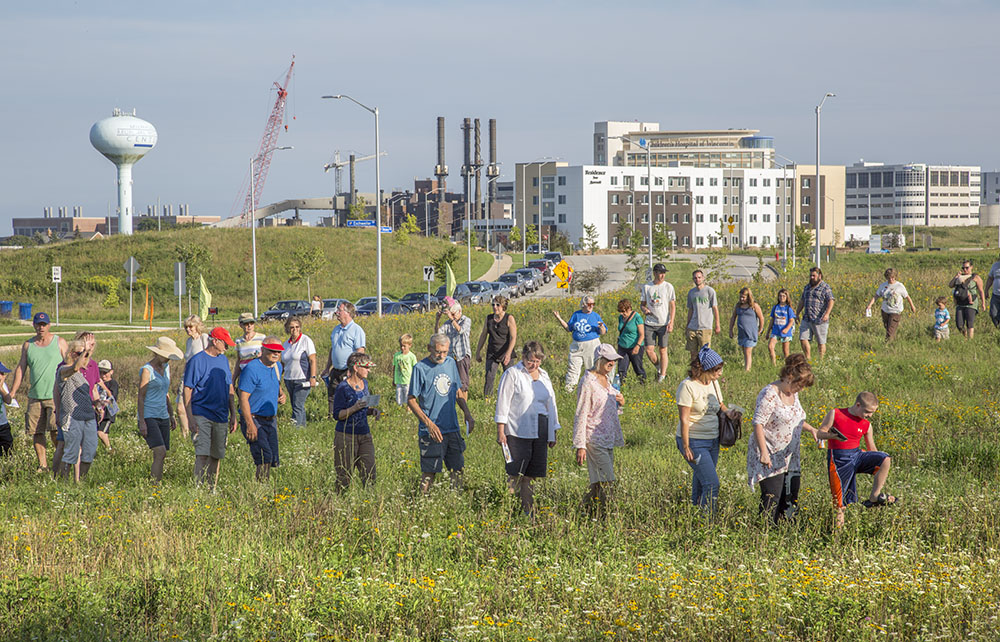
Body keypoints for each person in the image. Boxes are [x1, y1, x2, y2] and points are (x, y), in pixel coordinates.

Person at [746, 354, 842, 524]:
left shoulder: (793, 393)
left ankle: (784, 534)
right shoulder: (769, 394)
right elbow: (758, 423)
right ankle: (763, 534)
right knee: (771, 499)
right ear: (790, 377)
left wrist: (812, 429)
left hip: (790, 457)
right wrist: (763, 452)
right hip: (770, 454)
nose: (801, 389)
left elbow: (795, 418)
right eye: (800, 385)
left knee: (790, 499)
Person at [494, 341, 561, 517]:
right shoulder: (513, 374)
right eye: (531, 361)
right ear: (524, 357)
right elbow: (503, 402)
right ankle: (506, 510)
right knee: (515, 472)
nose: (534, 365)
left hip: (540, 429)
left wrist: (553, 430)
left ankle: (528, 510)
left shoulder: (544, 376)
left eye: (538, 361)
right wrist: (501, 430)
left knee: (531, 474)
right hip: (517, 429)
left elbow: (551, 404)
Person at [407, 333, 475, 494]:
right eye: (438, 352)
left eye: (445, 352)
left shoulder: (451, 363)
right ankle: (422, 505)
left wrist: (467, 413)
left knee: (457, 469)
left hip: (452, 428)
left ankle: (456, 501)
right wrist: (428, 424)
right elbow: (411, 399)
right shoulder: (420, 368)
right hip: (431, 431)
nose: (441, 355)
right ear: (429, 348)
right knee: (430, 472)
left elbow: (457, 392)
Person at [820, 391, 896, 528]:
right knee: (839, 505)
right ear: (858, 404)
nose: (870, 416)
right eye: (867, 412)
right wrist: (831, 436)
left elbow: (872, 449)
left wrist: (879, 471)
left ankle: (875, 496)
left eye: (872, 413)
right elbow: (820, 432)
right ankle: (837, 538)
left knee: (885, 458)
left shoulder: (867, 424)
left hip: (857, 455)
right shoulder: (836, 413)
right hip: (838, 459)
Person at [9, 312, 67, 472]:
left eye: (44, 324)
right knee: (36, 432)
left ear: (49, 325)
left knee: (55, 431)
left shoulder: (59, 342)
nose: (41, 327)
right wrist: (13, 391)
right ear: (34, 325)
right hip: (35, 396)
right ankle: (43, 465)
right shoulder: (28, 345)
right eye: (38, 324)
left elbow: (69, 365)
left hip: (55, 396)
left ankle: (60, 460)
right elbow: (21, 368)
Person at [572, 343, 625, 518]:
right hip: (594, 438)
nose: (611, 364)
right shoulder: (588, 382)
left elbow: (609, 409)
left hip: (607, 437)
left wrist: (620, 402)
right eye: (608, 360)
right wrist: (580, 445)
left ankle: (585, 513)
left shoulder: (608, 380)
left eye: (614, 361)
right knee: (609, 480)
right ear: (599, 360)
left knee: (597, 482)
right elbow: (582, 413)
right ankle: (610, 515)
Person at [675, 345, 730, 512]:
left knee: (701, 479)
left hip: (713, 440)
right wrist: (686, 446)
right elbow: (684, 419)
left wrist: (731, 413)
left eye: (721, 369)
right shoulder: (687, 386)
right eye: (717, 370)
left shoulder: (713, 384)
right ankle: (708, 523)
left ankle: (696, 514)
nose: (720, 373)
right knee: (712, 483)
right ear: (705, 369)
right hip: (694, 441)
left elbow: (720, 405)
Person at [184, 327, 238, 490]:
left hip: (221, 415)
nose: (227, 348)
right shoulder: (197, 361)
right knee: (202, 453)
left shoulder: (223, 361)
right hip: (202, 413)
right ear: (215, 341)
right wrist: (190, 418)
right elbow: (188, 389)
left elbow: (229, 388)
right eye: (225, 344)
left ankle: (211, 488)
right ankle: (198, 489)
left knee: (216, 455)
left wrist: (233, 414)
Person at [237, 337, 286, 481]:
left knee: (271, 459)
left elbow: (276, 383)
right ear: (262, 350)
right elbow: (243, 398)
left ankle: (264, 486)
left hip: (270, 420)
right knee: (264, 456)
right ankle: (260, 490)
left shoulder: (278, 367)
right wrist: (250, 424)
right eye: (272, 351)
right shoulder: (252, 369)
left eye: (278, 351)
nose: (276, 354)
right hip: (254, 418)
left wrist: (281, 394)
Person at [137, 337, 183, 482]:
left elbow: (166, 393)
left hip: (163, 414)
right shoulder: (147, 370)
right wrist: (142, 421)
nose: (168, 359)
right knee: (159, 451)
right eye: (166, 356)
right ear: (157, 353)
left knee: (162, 454)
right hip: (150, 414)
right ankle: (154, 485)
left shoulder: (166, 368)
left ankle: (157, 482)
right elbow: (141, 396)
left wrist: (171, 414)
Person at [332, 351, 380, 491]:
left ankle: (369, 500)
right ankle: (340, 501)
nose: (369, 370)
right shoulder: (343, 388)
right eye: (366, 367)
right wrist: (353, 408)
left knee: (369, 471)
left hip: (364, 434)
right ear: (355, 367)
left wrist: (372, 411)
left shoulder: (364, 383)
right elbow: (337, 414)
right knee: (344, 474)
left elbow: (364, 407)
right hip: (346, 435)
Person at [54, 340, 98, 482]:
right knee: (71, 453)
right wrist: (86, 350)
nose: (85, 357)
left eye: (86, 355)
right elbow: (74, 367)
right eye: (81, 354)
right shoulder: (64, 370)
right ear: (72, 354)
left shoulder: (82, 374)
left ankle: (81, 481)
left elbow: (85, 396)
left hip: (88, 416)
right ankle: (65, 482)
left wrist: (97, 402)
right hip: (72, 417)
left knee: (89, 452)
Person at [552, 296, 607, 393]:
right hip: (577, 345)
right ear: (584, 304)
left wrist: (601, 326)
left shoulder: (595, 316)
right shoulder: (576, 315)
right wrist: (559, 318)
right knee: (573, 367)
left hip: (591, 345)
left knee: (591, 368)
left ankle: (593, 390)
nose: (591, 306)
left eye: (593, 304)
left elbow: (603, 332)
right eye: (589, 304)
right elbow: (568, 328)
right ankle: (569, 391)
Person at [321, 302, 366, 417]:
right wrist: (327, 367)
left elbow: (360, 352)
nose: (337, 313)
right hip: (336, 370)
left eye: (339, 310)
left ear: (348, 313)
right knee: (332, 395)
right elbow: (333, 349)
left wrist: (354, 369)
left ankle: (349, 416)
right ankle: (333, 417)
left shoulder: (357, 330)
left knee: (348, 395)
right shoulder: (336, 330)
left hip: (349, 370)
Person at [475, 296, 518, 398]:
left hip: (506, 351)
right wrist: (478, 351)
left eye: (498, 305)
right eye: (493, 305)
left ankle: (512, 397)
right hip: (492, 352)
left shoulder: (509, 318)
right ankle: (487, 399)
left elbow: (513, 337)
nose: (495, 307)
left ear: (503, 306)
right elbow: (483, 335)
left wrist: (508, 354)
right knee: (489, 376)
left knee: (510, 377)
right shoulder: (489, 318)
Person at [639, 263, 676, 382]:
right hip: (650, 323)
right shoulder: (647, 287)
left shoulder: (668, 287)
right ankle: (659, 368)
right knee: (649, 350)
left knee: (662, 349)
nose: (662, 275)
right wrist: (644, 310)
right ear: (655, 273)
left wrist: (671, 322)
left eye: (664, 273)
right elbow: (642, 304)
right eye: (660, 273)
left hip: (663, 323)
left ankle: (662, 376)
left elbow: (672, 306)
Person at [280, 318, 317, 427]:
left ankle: (294, 430)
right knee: (297, 406)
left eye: (297, 327)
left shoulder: (306, 340)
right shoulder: (286, 344)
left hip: (302, 379)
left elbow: (312, 359)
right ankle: (302, 430)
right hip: (289, 379)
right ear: (288, 329)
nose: (294, 329)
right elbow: (283, 363)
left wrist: (313, 377)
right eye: (292, 327)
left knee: (297, 406)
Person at [179, 315, 210, 437]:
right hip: (187, 375)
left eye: (191, 326)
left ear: (197, 326)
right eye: (186, 327)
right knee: (180, 406)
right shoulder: (188, 341)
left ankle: (200, 431)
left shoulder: (204, 338)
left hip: (200, 377)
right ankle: (185, 434)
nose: (188, 329)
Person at [865, 268, 917, 342]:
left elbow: (907, 296)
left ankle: (887, 345)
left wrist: (912, 306)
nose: (891, 279)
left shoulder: (899, 286)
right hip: (885, 311)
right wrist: (870, 305)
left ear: (895, 277)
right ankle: (892, 341)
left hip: (895, 311)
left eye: (892, 277)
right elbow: (876, 296)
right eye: (889, 277)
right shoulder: (883, 285)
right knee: (887, 328)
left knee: (890, 330)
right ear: (886, 277)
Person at [795, 267, 835, 360]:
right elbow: (802, 300)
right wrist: (797, 313)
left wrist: (827, 314)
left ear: (819, 276)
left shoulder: (825, 287)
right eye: (810, 276)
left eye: (814, 275)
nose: (812, 277)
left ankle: (821, 360)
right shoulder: (807, 287)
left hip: (819, 319)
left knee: (821, 342)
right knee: (803, 338)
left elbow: (831, 300)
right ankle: (808, 358)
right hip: (807, 318)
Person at [436, 301, 473, 397]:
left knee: (463, 383)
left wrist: (451, 319)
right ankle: (456, 401)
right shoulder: (448, 323)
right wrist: (437, 320)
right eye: (451, 314)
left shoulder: (466, 320)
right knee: (451, 382)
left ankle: (464, 406)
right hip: (451, 357)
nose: (452, 316)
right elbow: (438, 334)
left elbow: (460, 330)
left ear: (459, 311)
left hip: (462, 355)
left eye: (453, 314)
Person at [685, 270, 720, 360]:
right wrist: (687, 325)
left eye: (699, 277)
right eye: (695, 278)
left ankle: (705, 372)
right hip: (692, 326)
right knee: (693, 353)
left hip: (705, 327)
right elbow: (691, 309)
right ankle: (695, 372)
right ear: (693, 279)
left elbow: (715, 308)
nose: (697, 280)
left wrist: (717, 325)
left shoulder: (709, 291)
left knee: (705, 353)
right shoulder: (691, 292)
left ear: (703, 278)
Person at [728, 287, 765, 371]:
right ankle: (747, 366)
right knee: (744, 350)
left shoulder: (754, 306)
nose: (742, 299)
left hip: (750, 333)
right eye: (740, 297)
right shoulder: (738, 306)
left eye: (743, 297)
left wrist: (760, 329)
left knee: (748, 350)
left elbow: (761, 318)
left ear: (748, 297)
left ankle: (747, 369)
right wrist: (731, 330)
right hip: (742, 332)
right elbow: (733, 317)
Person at [949, 259, 986, 339]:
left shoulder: (975, 277)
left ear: (971, 267)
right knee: (959, 324)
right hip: (960, 303)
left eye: (967, 267)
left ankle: (970, 340)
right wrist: (956, 277)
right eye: (963, 268)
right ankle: (965, 336)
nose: (965, 270)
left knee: (970, 323)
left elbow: (981, 290)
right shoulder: (960, 277)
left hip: (971, 303)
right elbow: (950, 285)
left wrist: (983, 303)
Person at [615, 299, 645, 386]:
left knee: (638, 367)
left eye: (623, 311)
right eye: (620, 311)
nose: (622, 313)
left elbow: (642, 334)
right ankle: (621, 385)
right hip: (622, 346)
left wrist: (637, 346)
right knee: (621, 368)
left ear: (629, 309)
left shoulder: (637, 317)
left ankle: (643, 383)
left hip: (634, 346)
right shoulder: (621, 317)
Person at [232, 313, 265, 386]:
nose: (249, 326)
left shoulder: (262, 338)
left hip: (258, 374)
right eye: (246, 323)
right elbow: (239, 360)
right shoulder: (238, 341)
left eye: (252, 323)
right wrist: (234, 379)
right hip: (244, 375)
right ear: (241, 325)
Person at [766, 289, 797, 365]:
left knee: (785, 351)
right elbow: (772, 320)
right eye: (780, 296)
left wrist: (787, 329)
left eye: (784, 296)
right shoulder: (775, 307)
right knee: (770, 346)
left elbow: (791, 320)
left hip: (785, 333)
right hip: (776, 331)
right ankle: (774, 364)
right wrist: (768, 332)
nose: (782, 297)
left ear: (787, 297)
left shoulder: (788, 309)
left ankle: (788, 366)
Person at [96, 360, 119, 454]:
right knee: (102, 433)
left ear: (111, 372)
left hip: (109, 412)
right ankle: (108, 450)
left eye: (105, 373)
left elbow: (112, 397)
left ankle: (109, 449)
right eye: (100, 373)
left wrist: (103, 386)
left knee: (100, 432)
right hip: (99, 411)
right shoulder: (97, 384)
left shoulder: (113, 383)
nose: (103, 375)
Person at [392, 334, 418, 406]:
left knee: (407, 397)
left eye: (404, 346)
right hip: (399, 380)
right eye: (401, 346)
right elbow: (394, 367)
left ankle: (408, 409)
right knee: (399, 397)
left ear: (410, 345)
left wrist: (414, 381)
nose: (402, 348)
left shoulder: (411, 356)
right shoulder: (396, 355)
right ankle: (399, 409)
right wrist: (393, 379)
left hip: (408, 381)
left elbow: (415, 369)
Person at [0, 362, 14, 458]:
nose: (2, 376)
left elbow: (8, 400)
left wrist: (0, 387)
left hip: (3, 424)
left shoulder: (3, 386)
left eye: (3, 374)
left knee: (8, 451)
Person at [985, 253, 1000, 328]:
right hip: (996, 294)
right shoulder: (995, 266)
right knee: (993, 313)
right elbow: (990, 279)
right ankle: (997, 327)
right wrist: (986, 290)